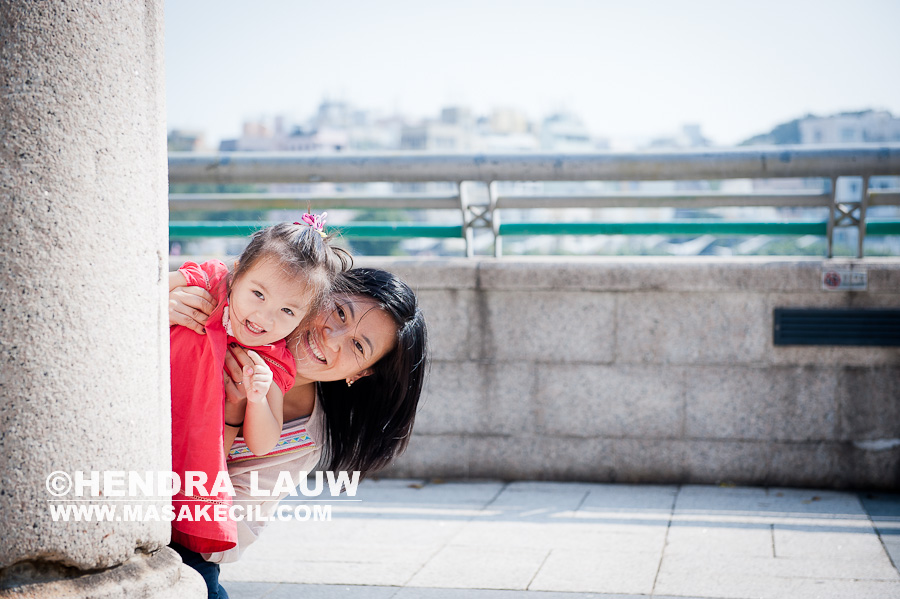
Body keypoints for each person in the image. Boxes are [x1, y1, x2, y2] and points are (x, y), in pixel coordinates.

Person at [168, 267, 428, 598]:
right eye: (339, 312)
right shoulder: (232, 306)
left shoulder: (301, 441)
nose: (331, 338)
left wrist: (234, 417)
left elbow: (221, 535)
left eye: (357, 346)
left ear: (361, 373)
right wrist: (161, 310)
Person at [168, 219, 350, 558]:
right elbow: (140, 292)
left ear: (304, 318)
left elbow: (263, 442)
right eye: (258, 294)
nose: (264, 317)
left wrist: (256, 400)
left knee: (187, 560)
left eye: (287, 310)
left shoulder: (273, 361)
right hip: (145, 425)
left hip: (188, 467)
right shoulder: (210, 283)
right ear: (236, 274)